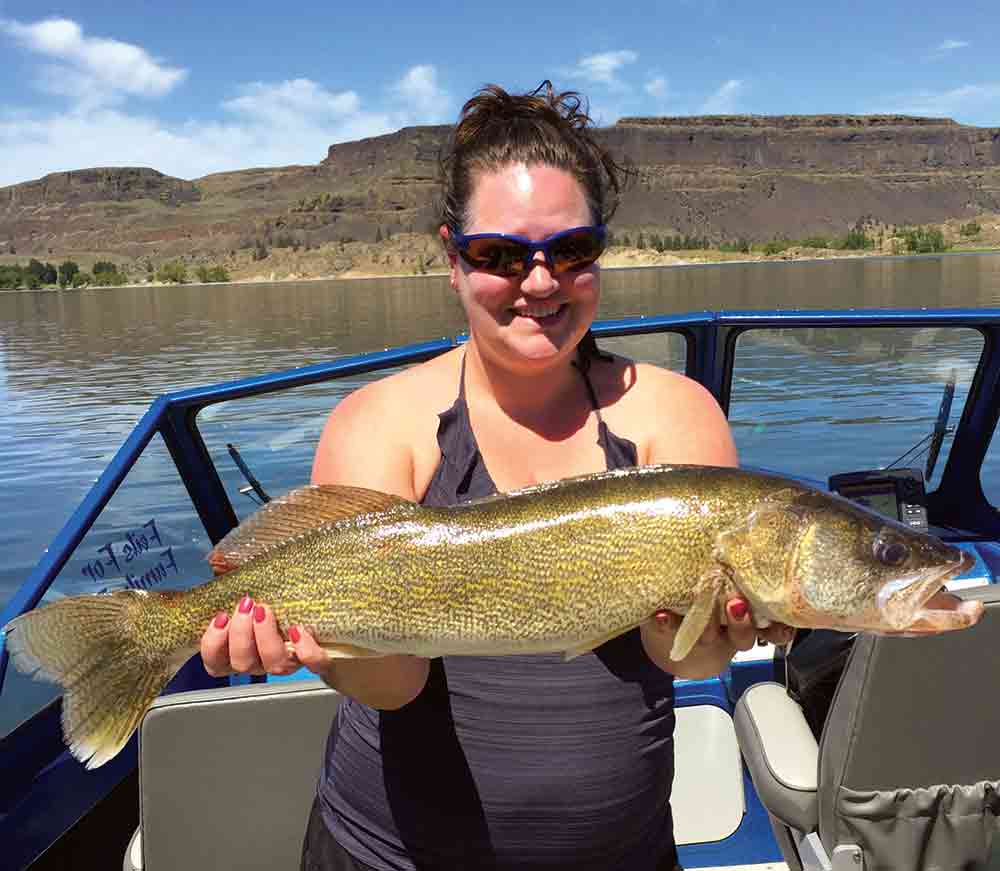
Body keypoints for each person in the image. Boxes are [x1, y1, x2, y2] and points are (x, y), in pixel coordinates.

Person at [199, 81, 793, 871]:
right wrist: (319, 643)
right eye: (500, 255)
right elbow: (396, 684)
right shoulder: (380, 424)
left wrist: (715, 631)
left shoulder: (675, 418)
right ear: (453, 259)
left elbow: (685, 658)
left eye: (572, 249)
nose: (540, 281)